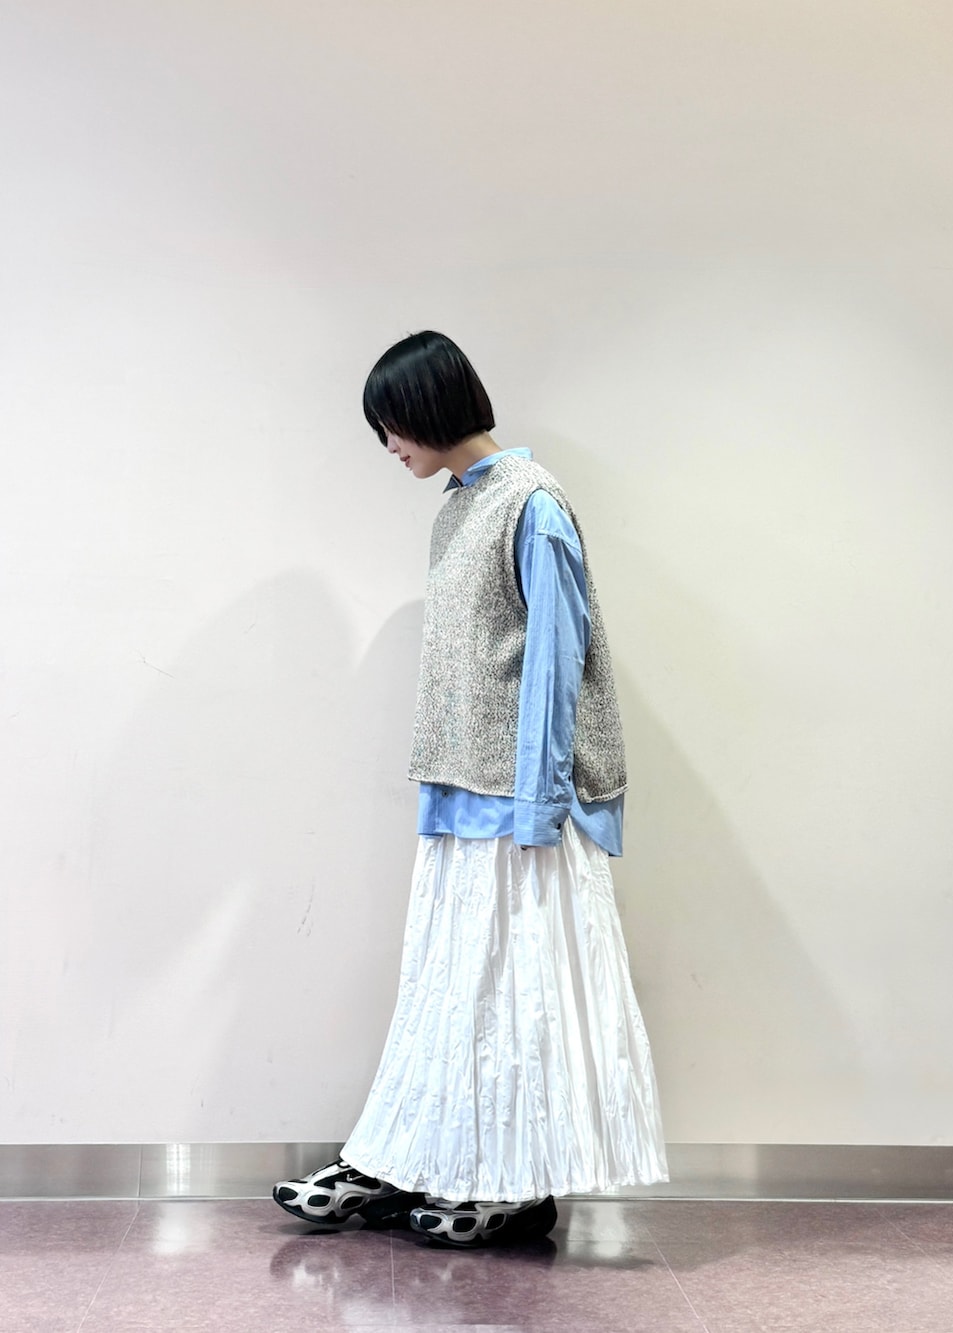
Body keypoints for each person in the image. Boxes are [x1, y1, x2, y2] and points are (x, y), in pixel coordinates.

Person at [273, 331, 667, 1246]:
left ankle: (516, 1184)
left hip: (523, 807)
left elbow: (557, 666)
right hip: (461, 798)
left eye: (391, 426)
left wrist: (539, 804)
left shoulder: (534, 505)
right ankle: (412, 1158)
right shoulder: (457, 508)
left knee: (521, 999)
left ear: (428, 406)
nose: (389, 446)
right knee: (453, 997)